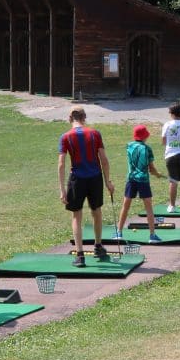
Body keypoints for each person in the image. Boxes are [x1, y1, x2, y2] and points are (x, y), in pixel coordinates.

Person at [58, 106, 115, 268]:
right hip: (95, 177)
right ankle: (98, 246)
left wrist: (62, 189)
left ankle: (80, 254)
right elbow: (104, 159)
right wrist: (108, 181)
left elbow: (61, 164)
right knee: (96, 211)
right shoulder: (95, 133)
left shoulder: (65, 137)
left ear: (70, 118)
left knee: (77, 215)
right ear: (84, 117)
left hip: (77, 179)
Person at [116, 125, 165, 244]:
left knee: (125, 205)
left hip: (131, 179)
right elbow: (151, 168)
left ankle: (118, 233)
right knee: (148, 207)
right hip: (143, 180)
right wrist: (157, 174)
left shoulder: (129, 146)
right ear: (144, 136)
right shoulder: (147, 149)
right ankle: (152, 235)